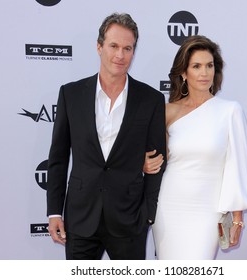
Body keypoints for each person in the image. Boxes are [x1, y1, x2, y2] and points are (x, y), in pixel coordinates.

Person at [46, 13, 166, 260]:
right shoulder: (71, 94)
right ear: (99, 47)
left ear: (134, 51)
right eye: (113, 46)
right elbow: (57, 158)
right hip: (81, 218)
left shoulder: (151, 100)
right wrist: (54, 212)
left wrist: (148, 214)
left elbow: (157, 162)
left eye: (127, 48)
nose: (120, 55)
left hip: (129, 219)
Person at [144, 35, 247, 259]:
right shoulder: (168, 111)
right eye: (196, 66)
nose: (205, 73)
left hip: (207, 210)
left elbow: (237, 166)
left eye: (209, 65)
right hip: (168, 207)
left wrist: (237, 218)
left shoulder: (230, 111)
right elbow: (154, 157)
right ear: (184, 73)